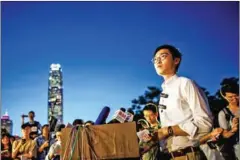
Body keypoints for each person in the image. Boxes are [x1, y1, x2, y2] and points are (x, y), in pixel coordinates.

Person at [151, 44, 213, 160]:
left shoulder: (185, 83)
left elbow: (205, 124)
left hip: (188, 154)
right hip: (169, 155)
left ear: (176, 60)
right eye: (155, 59)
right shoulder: (164, 92)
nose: (158, 60)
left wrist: (168, 131)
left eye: (163, 56)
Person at [218, 84, 239, 160]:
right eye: (230, 97)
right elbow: (225, 135)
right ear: (225, 97)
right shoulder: (223, 113)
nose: (235, 99)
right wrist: (233, 129)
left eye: (236, 95)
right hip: (236, 146)